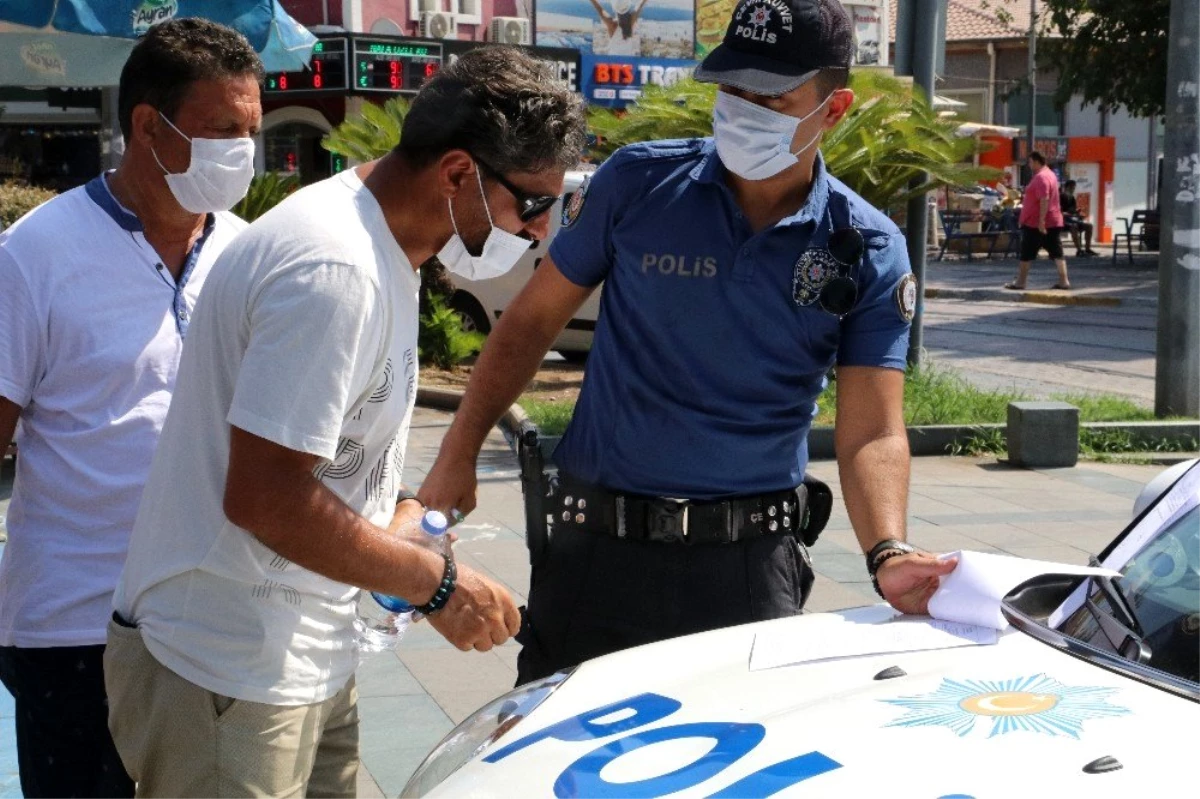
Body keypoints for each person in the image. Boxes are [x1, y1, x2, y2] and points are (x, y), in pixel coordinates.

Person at [419, 0, 957, 686]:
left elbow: (872, 430)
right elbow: (529, 322)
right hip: (597, 553)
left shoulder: (869, 249)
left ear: (835, 107)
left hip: (746, 570)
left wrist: (888, 550)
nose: (743, 108)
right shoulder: (640, 183)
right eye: (732, 87)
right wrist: (457, 454)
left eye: (772, 95)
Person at [106, 47, 586, 794]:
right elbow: (265, 496)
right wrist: (436, 582)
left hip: (307, 651)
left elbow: (317, 463)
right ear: (458, 174)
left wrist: (391, 519)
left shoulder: (382, 247)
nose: (539, 233)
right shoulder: (334, 267)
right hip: (227, 667)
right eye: (530, 205)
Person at [0, 19, 263, 798]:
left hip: (215, 626)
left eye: (252, 131)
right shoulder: (36, 254)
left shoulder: (247, 254)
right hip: (76, 631)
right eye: (224, 131)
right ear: (148, 126)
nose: (243, 152)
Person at [1005, 151, 1071, 290]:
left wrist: (1041, 221)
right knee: (1056, 251)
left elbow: (1044, 199)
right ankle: (1064, 280)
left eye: (1030, 162)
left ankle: (1021, 282)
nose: (1029, 165)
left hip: (1036, 223)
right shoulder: (1050, 174)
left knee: (1026, 253)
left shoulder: (1041, 177)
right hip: (1052, 220)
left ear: (1036, 161)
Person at [1060, 179, 1098, 257]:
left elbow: (1073, 210)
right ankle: (1079, 250)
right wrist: (1066, 214)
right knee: (1074, 227)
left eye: (1074, 187)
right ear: (1067, 187)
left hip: (1073, 219)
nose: (1073, 189)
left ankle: (1087, 249)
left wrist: (1078, 212)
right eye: (1072, 187)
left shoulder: (1072, 197)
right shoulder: (1061, 196)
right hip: (1064, 220)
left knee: (1089, 226)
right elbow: (1058, 211)